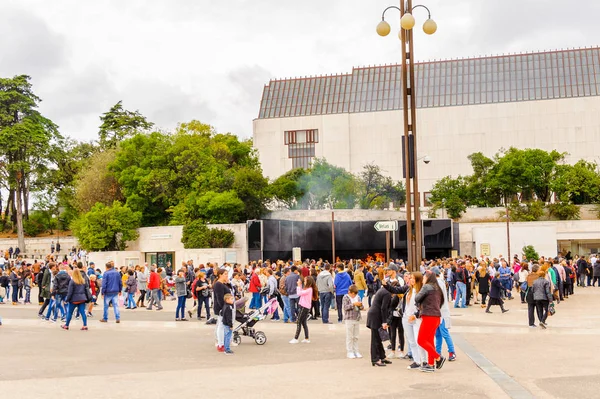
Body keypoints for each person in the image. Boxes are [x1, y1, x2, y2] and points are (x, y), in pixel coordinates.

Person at [415, 272, 446, 373]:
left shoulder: (426, 287)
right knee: (429, 340)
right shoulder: (438, 288)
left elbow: (417, 298)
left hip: (428, 315)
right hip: (436, 316)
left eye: (424, 277)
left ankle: (438, 357)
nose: (423, 278)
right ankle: (431, 364)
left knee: (421, 340)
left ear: (427, 277)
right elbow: (442, 301)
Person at [366, 276, 393, 367]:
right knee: (375, 339)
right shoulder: (387, 293)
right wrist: (385, 322)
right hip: (375, 316)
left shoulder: (382, 291)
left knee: (378, 338)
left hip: (374, 315)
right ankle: (375, 359)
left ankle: (382, 356)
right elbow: (383, 308)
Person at [432, 267, 456, 362]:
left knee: (444, 333)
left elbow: (439, 298)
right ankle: (437, 353)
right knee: (437, 334)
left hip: (441, 312)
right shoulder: (438, 283)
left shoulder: (439, 283)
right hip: (438, 312)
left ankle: (451, 351)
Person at [289, 276, 317, 344]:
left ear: (308, 282)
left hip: (304, 307)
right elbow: (301, 292)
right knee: (303, 323)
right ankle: (306, 338)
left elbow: (299, 293)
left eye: (305, 281)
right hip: (304, 306)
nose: (304, 282)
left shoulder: (309, 289)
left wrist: (299, 285)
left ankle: (296, 338)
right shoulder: (308, 288)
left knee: (299, 321)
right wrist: (300, 285)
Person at [61, 266, 90, 331]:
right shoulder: (83, 281)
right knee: (83, 312)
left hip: (74, 299)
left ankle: (67, 325)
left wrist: (67, 299)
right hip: (82, 299)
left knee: (70, 313)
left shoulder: (72, 281)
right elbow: (86, 290)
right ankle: (85, 325)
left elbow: (70, 292)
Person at [213, 269, 232, 352]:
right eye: (225, 274)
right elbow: (219, 298)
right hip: (222, 307)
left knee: (221, 325)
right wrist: (223, 308)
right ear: (220, 275)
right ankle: (221, 344)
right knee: (221, 326)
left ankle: (221, 343)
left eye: (227, 274)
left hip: (225, 306)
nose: (227, 276)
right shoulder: (218, 284)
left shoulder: (223, 284)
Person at [343, 285, 363, 359]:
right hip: (349, 318)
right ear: (350, 292)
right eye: (353, 294)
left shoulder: (358, 297)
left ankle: (356, 350)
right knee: (349, 336)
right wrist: (353, 304)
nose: (354, 296)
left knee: (356, 336)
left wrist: (360, 305)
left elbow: (361, 307)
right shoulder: (346, 297)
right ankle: (350, 351)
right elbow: (345, 307)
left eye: (355, 294)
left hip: (357, 318)